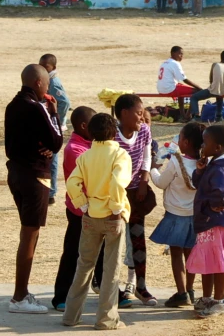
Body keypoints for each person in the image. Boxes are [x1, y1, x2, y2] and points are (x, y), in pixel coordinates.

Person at [62, 113, 132, 330]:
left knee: (84, 266)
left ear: (91, 133)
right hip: (113, 217)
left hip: (91, 215)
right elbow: (118, 184)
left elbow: (72, 182)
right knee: (111, 269)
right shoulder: (120, 155)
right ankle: (106, 319)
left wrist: (83, 205)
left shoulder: (86, 156)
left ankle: (71, 316)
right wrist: (116, 208)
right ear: (114, 132)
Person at [5, 64, 64, 314]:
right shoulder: (36, 107)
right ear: (39, 83)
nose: (48, 90)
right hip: (35, 177)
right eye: (47, 86)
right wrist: (54, 114)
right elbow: (57, 141)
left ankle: (23, 291)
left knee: (29, 233)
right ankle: (19, 297)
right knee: (30, 235)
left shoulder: (12, 105)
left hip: (16, 173)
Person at [149, 122, 206, 308]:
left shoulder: (176, 161)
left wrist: (153, 169)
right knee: (191, 254)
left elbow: (161, 183)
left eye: (180, 138)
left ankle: (181, 292)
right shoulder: (205, 164)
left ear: (187, 142)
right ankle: (189, 289)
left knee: (176, 255)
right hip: (194, 216)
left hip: (175, 215)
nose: (177, 141)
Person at [187, 125, 224, 318]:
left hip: (217, 222)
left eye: (205, 142)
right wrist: (200, 171)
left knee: (219, 261)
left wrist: (213, 206)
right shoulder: (212, 164)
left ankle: (219, 301)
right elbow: (198, 184)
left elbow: (221, 192)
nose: (202, 145)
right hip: (209, 221)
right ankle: (208, 297)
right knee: (209, 260)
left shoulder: (220, 168)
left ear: (217, 147)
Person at [52, 106, 100, 312]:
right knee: (73, 253)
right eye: (94, 126)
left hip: (97, 209)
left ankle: (108, 290)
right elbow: (88, 178)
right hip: (79, 210)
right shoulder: (75, 150)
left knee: (103, 252)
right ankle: (61, 296)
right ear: (83, 126)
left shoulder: (92, 144)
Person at [113, 94, 157, 306]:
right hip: (115, 195)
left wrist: (143, 181)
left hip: (135, 193)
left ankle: (140, 285)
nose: (142, 118)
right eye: (138, 113)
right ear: (124, 114)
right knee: (114, 241)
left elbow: (147, 157)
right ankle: (111, 287)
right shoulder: (112, 135)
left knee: (138, 240)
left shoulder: (144, 132)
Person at [38, 54, 71, 206]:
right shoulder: (45, 79)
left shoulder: (53, 82)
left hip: (53, 126)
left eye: (47, 66)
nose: (43, 68)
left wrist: (57, 118)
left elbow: (64, 102)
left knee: (52, 160)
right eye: (41, 65)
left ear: (53, 68)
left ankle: (50, 193)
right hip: (47, 125)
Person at [157, 46, 203, 119]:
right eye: (180, 54)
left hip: (160, 89)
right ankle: (188, 115)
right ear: (173, 53)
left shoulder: (165, 63)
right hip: (169, 89)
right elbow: (184, 79)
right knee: (196, 92)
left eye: (182, 54)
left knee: (180, 89)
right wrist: (199, 87)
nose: (182, 56)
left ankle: (183, 115)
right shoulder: (175, 63)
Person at [190, 51, 224, 122]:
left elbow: (211, 79)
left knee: (194, 97)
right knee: (220, 96)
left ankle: (196, 116)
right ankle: (218, 116)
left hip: (213, 90)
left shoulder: (215, 64)